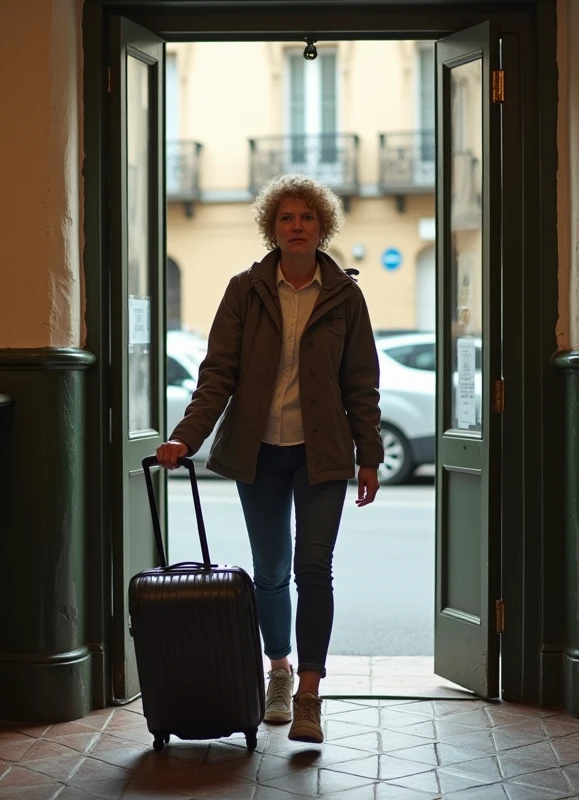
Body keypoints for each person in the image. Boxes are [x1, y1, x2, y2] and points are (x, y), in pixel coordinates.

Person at [156, 174, 384, 744]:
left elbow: (361, 383)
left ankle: (309, 694)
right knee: (271, 572)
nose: (297, 226)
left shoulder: (345, 295)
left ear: (322, 226)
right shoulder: (245, 289)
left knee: (314, 570)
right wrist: (185, 437)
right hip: (259, 451)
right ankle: (278, 670)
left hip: (322, 453)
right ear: (272, 227)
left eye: (307, 217)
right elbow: (217, 374)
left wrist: (370, 455)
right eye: (286, 217)